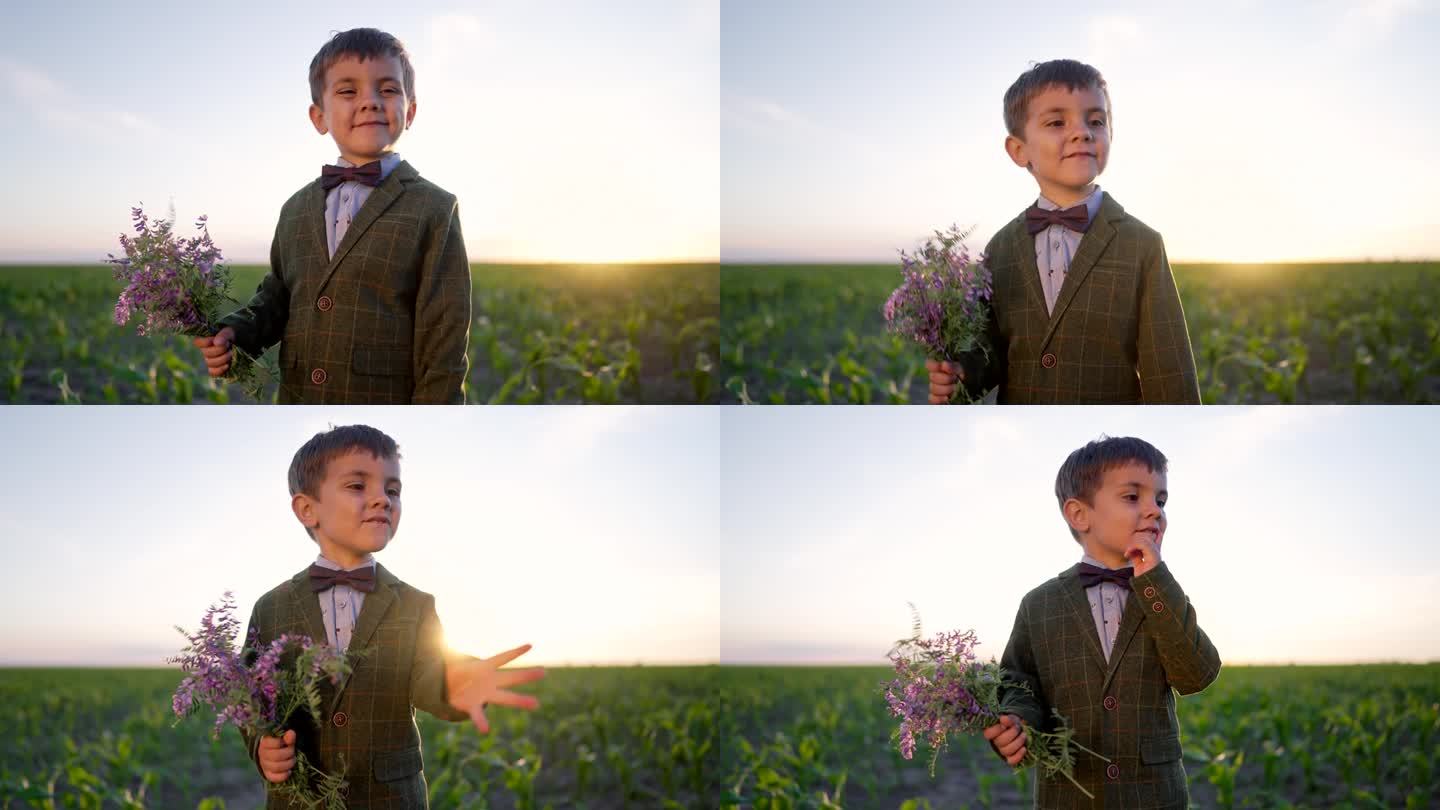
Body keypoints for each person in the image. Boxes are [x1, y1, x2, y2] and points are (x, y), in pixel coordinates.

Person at [242, 424, 543, 807]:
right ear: (307, 509)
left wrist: (456, 681)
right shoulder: (270, 607)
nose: (382, 500)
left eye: (392, 490)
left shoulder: (415, 604)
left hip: (390, 797)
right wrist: (262, 747)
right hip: (302, 799)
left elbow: (428, 671)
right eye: (357, 486)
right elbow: (249, 696)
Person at [195, 28, 472, 403]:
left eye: (388, 89)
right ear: (319, 117)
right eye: (348, 91)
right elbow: (278, 296)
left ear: (410, 112)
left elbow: (445, 336)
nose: (371, 101)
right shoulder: (294, 208)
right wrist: (236, 333)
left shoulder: (434, 208)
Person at [928, 59, 1201, 404]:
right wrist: (960, 376)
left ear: (1110, 135)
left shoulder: (1142, 244)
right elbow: (991, 353)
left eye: (1096, 121)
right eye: (1057, 122)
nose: (1082, 132)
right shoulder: (1001, 248)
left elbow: (1170, 372)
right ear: (1019, 150)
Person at [984, 435, 1220, 806]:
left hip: (1154, 795)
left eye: (1161, 500)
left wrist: (1155, 582)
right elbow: (1018, 680)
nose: (1154, 510)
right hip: (1069, 793)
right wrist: (1019, 722)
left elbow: (1197, 675)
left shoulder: (1165, 596)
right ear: (1080, 514)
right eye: (1132, 497)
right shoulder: (1038, 603)